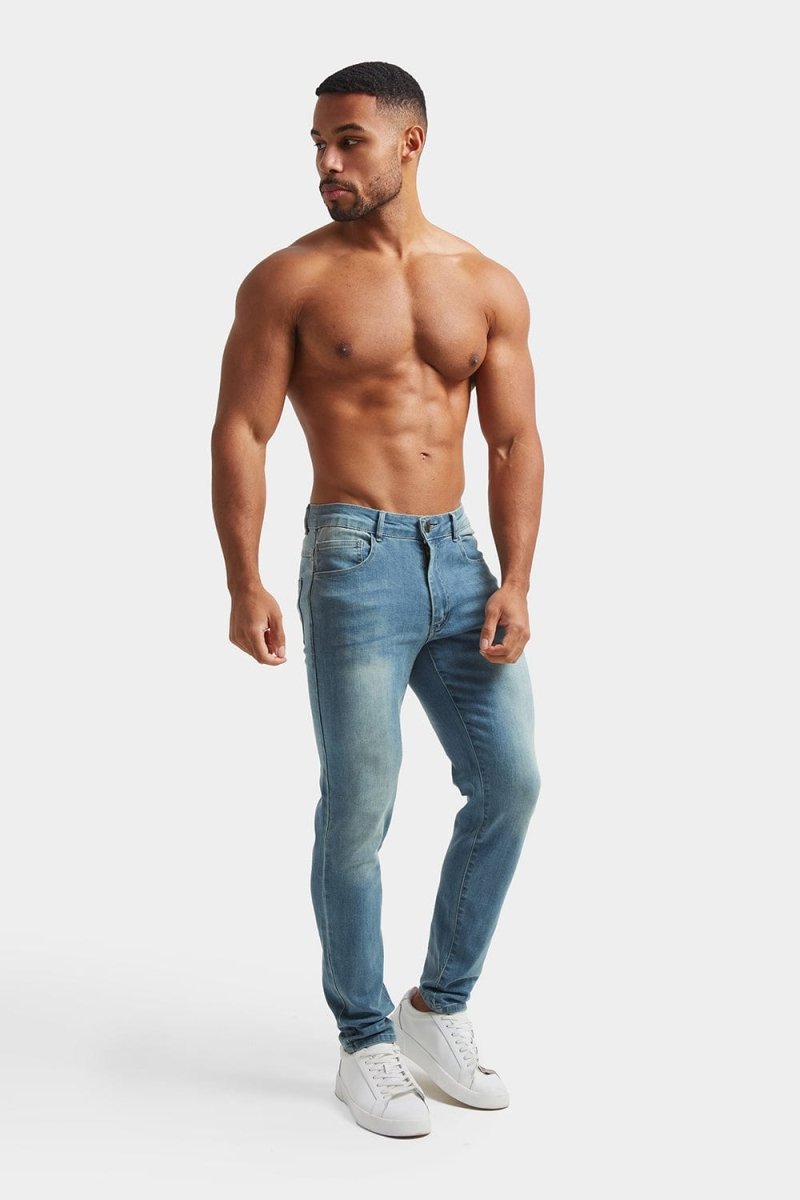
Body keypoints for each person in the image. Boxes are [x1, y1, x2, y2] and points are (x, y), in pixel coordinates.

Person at [210, 61, 544, 1138]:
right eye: (318, 143)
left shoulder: (485, 282)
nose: (326, 163)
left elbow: (512, 440)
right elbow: (243, 430)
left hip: (461, 559)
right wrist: (244, 576)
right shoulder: (290, 280)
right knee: (360, 806)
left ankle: (434, 1010)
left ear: (411, 143)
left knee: (510, 783)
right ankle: (363, 1040)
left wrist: (516, 579)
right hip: (352, 557)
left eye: (347, 141)